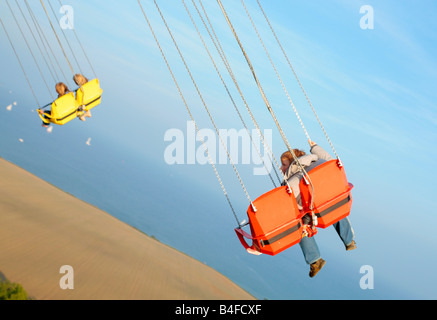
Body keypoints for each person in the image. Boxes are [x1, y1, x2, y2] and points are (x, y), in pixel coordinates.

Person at [280, 140, 356, 278]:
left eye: (284, 165)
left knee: (299, 226)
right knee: (333, 210)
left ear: (292, 163)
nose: (281, 168)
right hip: (332, 200)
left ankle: (315, 260)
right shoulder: (318, 160)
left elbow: (289, 203)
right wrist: (315, 147)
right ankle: (349, 240)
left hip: (313, 208)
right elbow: (330, 160)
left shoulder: (295, 178)